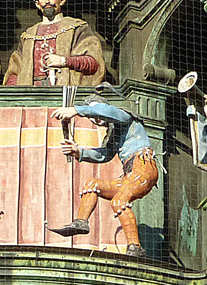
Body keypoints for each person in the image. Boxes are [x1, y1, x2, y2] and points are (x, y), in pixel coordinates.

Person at [49, 91, 161, 257]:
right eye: (91, 117)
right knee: (92, 185)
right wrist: (79, 152)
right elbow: (105, 154)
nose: (95, 119)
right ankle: (81, 222)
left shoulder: (124, 115)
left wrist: (77, 110)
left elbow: (106, 112)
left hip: (143, 166)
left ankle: (135, 247)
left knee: (119, 201)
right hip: (130, 174)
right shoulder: (114, 132)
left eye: (95, 111)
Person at [3, 0, 105, 87]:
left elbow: (94, 63)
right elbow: (15, 71)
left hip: (65, 93)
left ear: (62, 0)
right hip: (31, 96)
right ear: (37, 4)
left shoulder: (77, 28)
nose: (47, 1)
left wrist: (64, 61)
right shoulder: (28, 35)